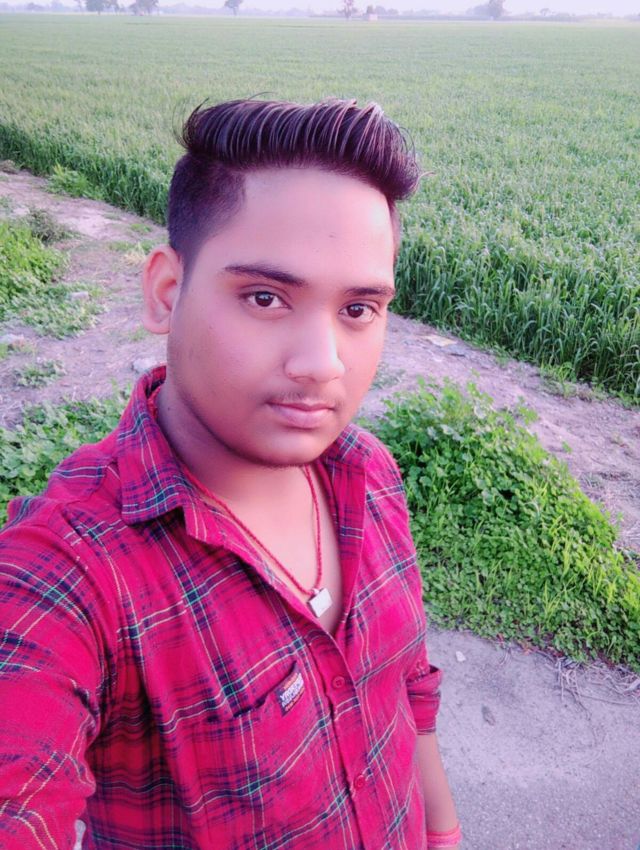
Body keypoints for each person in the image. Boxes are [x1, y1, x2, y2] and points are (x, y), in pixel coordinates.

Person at [0, 98, 461, 849]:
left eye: (358, 309)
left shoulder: (368, 474)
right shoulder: (74, 572)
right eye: (266, 298)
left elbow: (406, 686)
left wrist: (442, 832)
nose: (322, 364)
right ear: (166, 294)